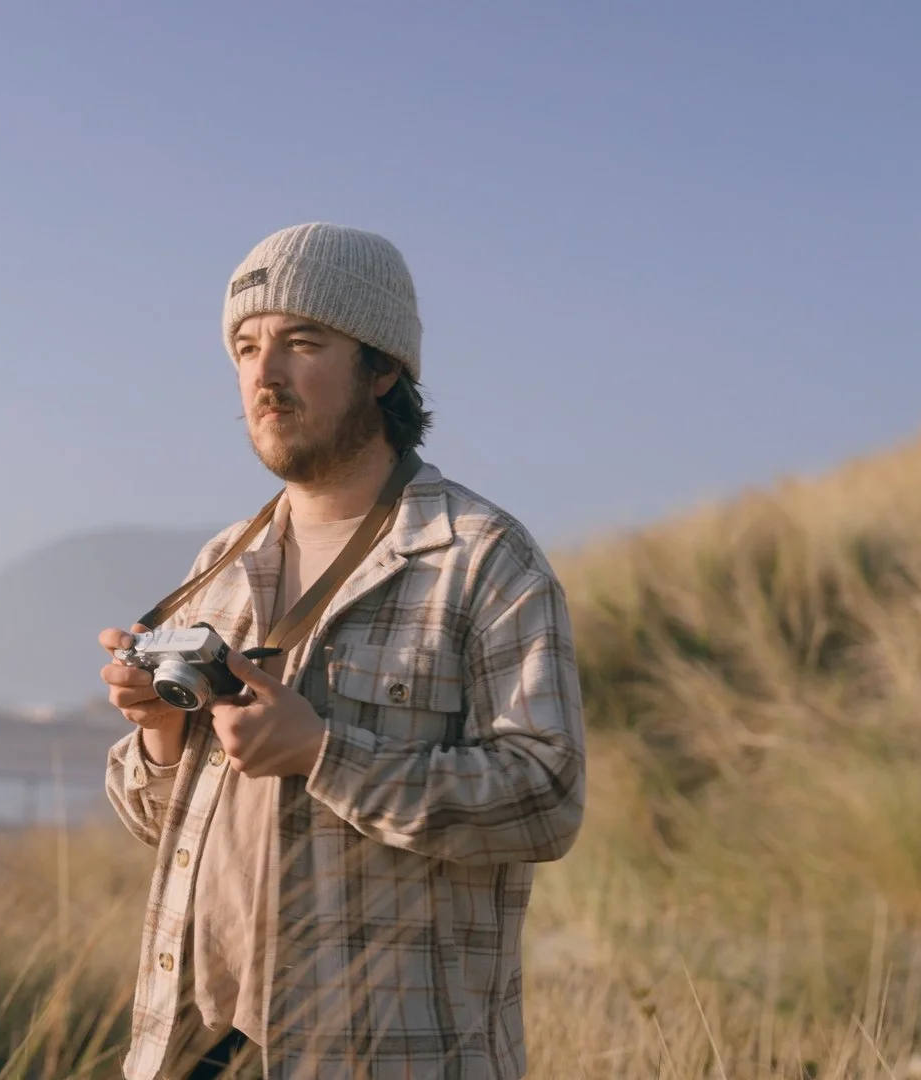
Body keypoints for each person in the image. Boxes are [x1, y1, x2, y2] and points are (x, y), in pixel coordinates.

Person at [101, 223, 586, 1079]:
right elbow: (156, 822)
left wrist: (325, 753)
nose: (264, 373)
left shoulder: (481, 557)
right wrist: (157, 735)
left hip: (388, 1058)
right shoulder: (219, 565)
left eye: (302, 342)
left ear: (384, 366)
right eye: (246, 346)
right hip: (197, 1049)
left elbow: (545, 797)